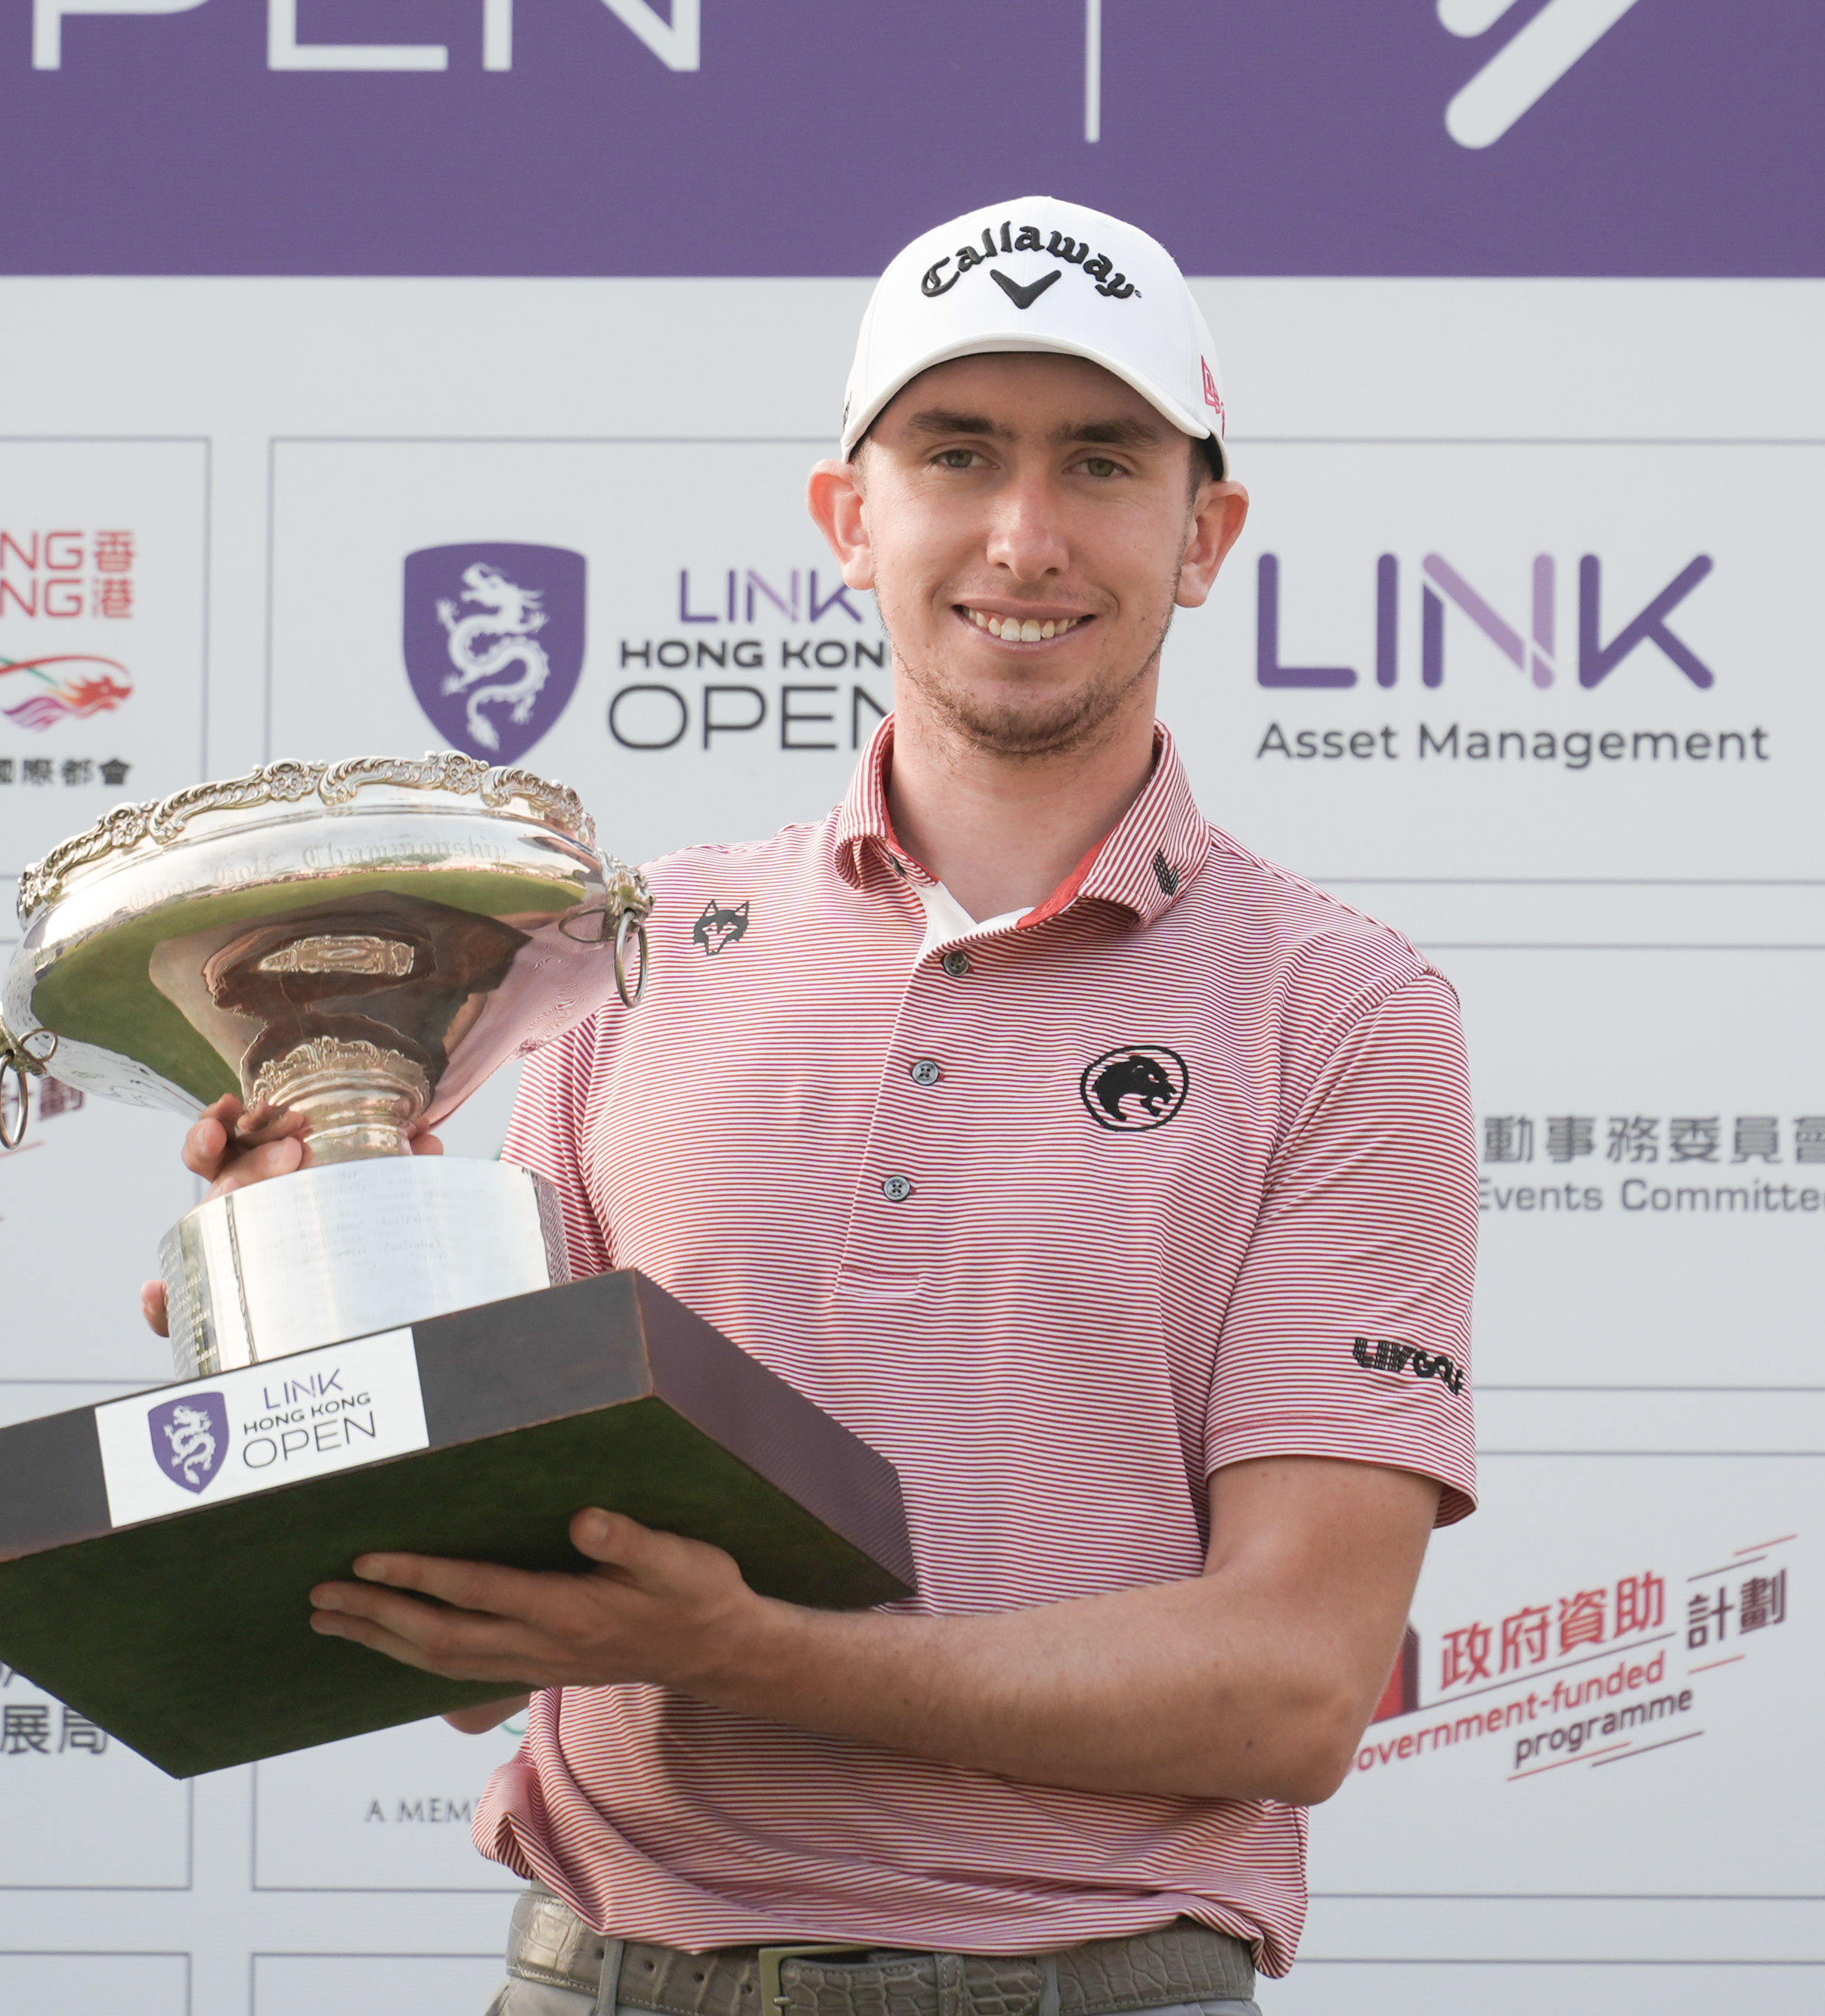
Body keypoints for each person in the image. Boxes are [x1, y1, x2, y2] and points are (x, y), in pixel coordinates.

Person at [147, 197, 1477, 2016]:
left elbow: (1292, 1685)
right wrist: (309, 1308)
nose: (1025, 533)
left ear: (1203, 534)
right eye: (956, 455)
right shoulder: (628, 959)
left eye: (1099, 460)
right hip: (601, 1976)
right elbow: (475, 1640)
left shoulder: (1346, 1013)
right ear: (849, 520)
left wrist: (756, 1653)